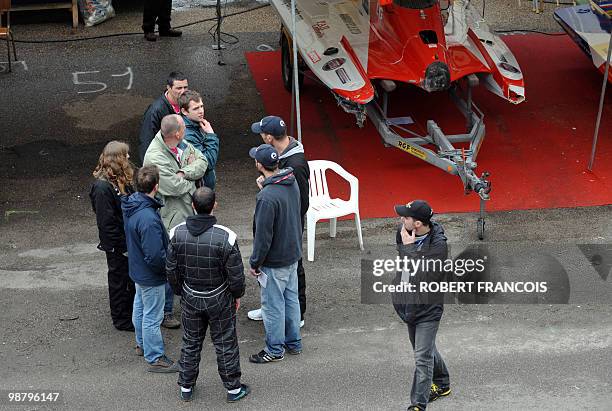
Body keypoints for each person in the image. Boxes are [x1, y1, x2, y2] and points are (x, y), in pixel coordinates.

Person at [167, 187, 250, 403]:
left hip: (191, 296)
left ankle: (186, 386)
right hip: (220, 298)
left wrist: (180, 292)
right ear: (214, 205)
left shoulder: (176, 233)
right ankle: (233, 389)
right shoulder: (226, 237)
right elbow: (236, 275)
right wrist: (237, 295)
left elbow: (171, 269)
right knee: (225, 343)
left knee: (191, 341)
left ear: (192, 205)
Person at [145, 114, 208, 329]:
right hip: (172, 219)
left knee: (187, 263)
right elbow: (173, 187)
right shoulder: (156, 157)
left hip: (186, 214)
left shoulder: (179, 144)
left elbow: (202, 161)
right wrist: (196, 188)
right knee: (171, 265)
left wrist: (183, 172)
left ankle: (189, 305)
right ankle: (166, 311)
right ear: (178, 132)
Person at [248, 116, 309, 328]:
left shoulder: (295, 163)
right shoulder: (282, 156)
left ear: (269, 137)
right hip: (281, 219)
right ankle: (269, 308)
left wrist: (285, 220)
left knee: (294, 267)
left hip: (289, 224)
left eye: (261, 134)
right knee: (272, 269)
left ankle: (297, 314)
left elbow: (301, 201)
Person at [392, 200, 451, 411]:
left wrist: (408, 250)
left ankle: (418, 405)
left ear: (417, 223)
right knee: (423, 348)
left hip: (427, 307)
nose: (401, 220)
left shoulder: (438, 247)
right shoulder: (404, 232)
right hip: (408, 303)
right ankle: (443, 382)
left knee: (422, 358)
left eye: (406, 217)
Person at [247, 144, 303, 363]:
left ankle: (274, 350)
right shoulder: (291, 181)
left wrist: (255, 262)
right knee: (291, 299)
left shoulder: (267, 198)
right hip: (292, 253)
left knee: (272, 306)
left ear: (259, 165)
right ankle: (294, 342)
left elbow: (263, 236)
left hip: (274, 260)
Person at [121, 165, 178, 373]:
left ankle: (142, 344)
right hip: (151, 275)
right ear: (156, 186)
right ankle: (155, 356)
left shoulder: (131, 205)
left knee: (141, 306)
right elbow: (155, 255)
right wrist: (167, 270)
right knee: (153, 315)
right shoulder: (148, 217)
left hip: (137, 269)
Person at [89, 141, 136, 332]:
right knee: (119, 281)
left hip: (126, 241)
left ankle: (129, 313)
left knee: (128, 280)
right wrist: (120, 246)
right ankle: (121, 318)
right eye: (126, 155)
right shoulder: (102, 188)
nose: (129, 158)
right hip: (118, 245)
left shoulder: (117, 180)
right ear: (118, 158)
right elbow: (106, 223)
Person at [139, 72, 189, 161]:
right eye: (179, 88)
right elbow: (146, 140)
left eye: (185, 87)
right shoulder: (156, 110)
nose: (183, 91)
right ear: (168, 88)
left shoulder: (186, 103)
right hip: (164, 159)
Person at [179, 90, 220, 190]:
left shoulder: (197, 124)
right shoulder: (187, 135)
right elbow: (207, 162)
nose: (201, 111)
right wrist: (211, 135)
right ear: (184, 111)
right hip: (199, 190)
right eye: (196, 108)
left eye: (201, 106)